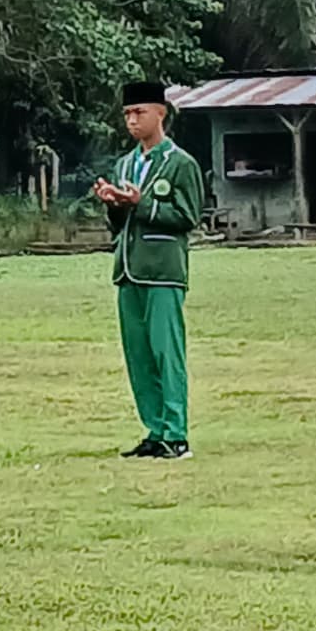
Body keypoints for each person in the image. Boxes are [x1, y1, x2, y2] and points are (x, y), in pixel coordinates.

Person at [94, 83, 201, 457]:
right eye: (126, 114)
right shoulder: (125, 164)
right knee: (138, 356)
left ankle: (176, 433)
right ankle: (154, 429)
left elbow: (188, 216)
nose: (132, 120)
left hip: (163, 271)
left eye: (139, 112)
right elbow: (121, 223)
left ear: (161, 113)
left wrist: (140, 205)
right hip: (128, 270)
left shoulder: (180, 163)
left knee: (166, 353)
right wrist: (114, 203)